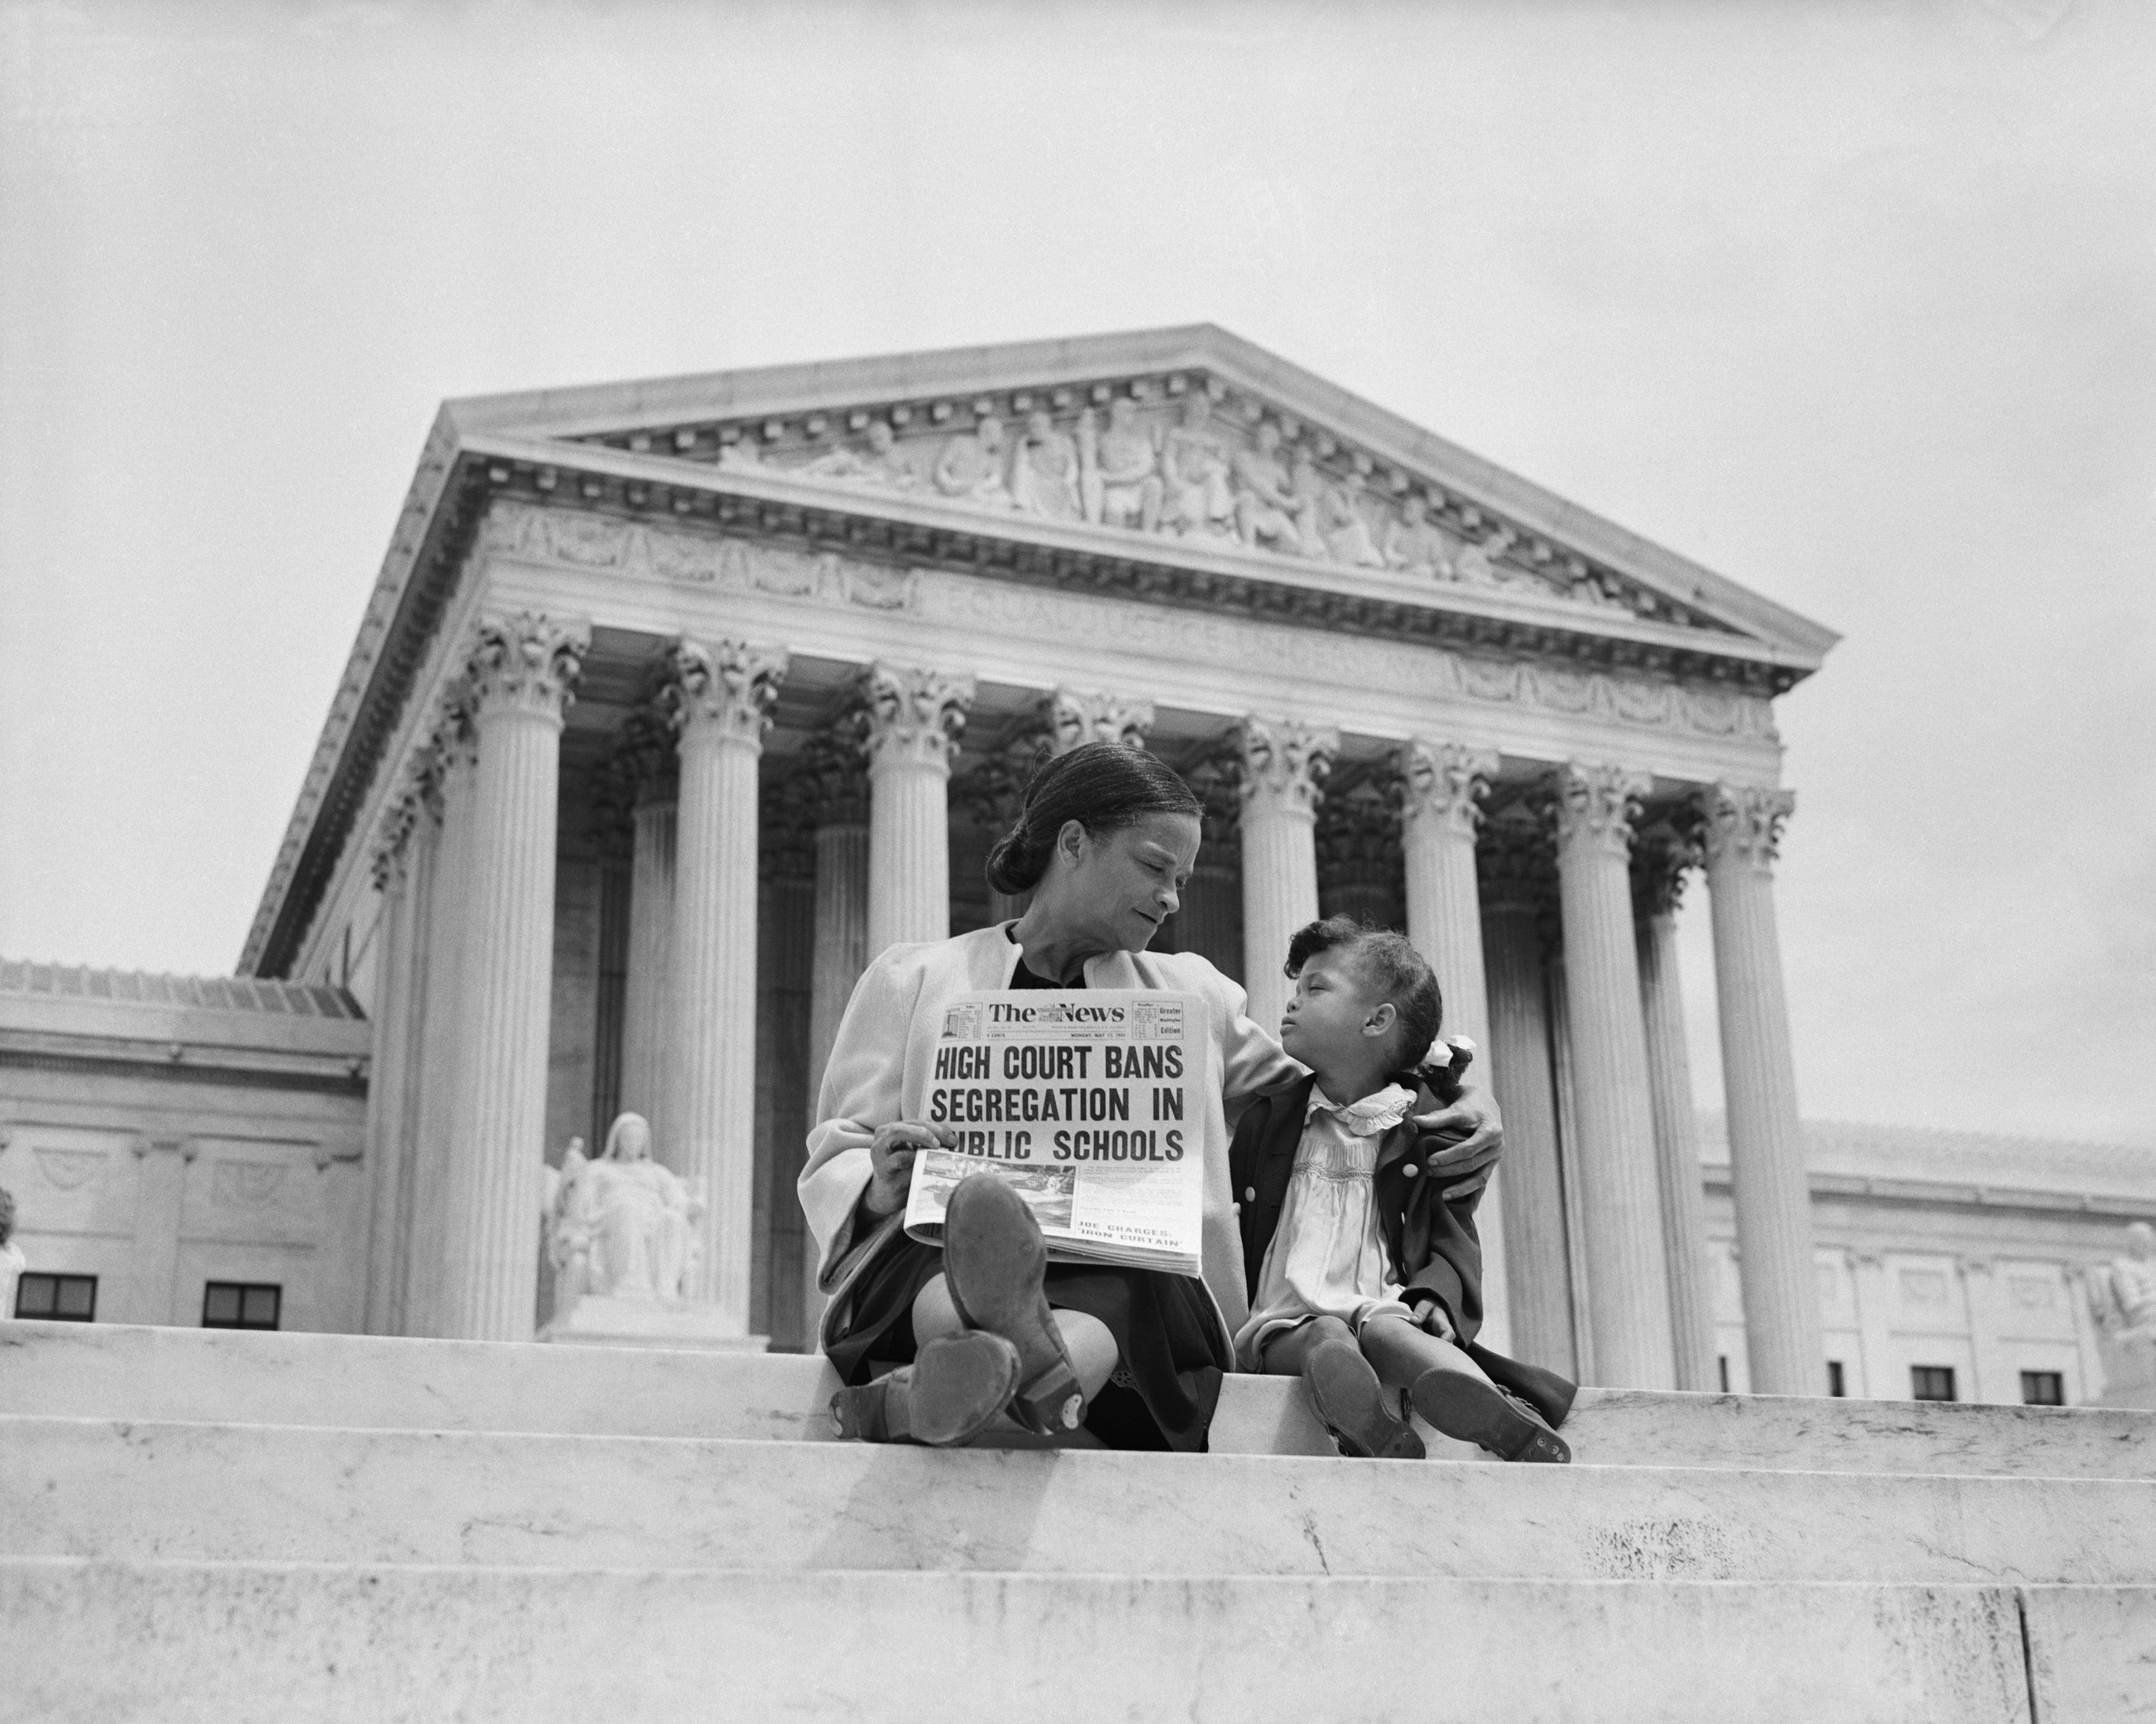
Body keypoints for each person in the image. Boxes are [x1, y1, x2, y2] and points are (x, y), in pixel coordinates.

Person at [800, 742, 1507, 1451]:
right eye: (1153, 867)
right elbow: (842, 1146)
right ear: (1073, 843)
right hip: (945, 1243)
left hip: (1131, 1269)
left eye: (1184, 879)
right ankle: (1018, 1369)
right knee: (954, 1257)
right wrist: (882, 1181)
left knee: (1120, 1287)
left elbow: (1335, 1091)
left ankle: (948, 1384)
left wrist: (1451, 1088)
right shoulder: (914, 979)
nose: (1171, 897)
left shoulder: (1191, 995)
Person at [1232, 916, 1573, 1463]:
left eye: (1315, 989)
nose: (1292, 1004)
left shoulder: (1420, 1127)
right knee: (1321, 1339)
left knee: (1395, 1335)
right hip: (1283, 1311)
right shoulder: (1268, 1118)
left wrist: (1439, 1295)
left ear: (1376, 1021)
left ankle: (1500, 1413)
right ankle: (1363, 1418)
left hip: (1381, 1299)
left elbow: (1450, 1227)